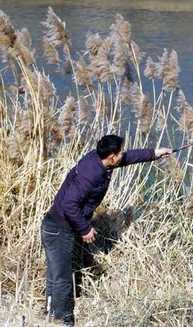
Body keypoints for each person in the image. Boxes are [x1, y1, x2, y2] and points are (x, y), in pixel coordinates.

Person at [40, 135, 172, 326]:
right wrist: (85, 229)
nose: (122, 155)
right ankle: (63, 321)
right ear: (111, 156)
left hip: (60, 226)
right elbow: (69, 204)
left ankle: (51, 315)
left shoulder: (101, 160)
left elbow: (128, 158)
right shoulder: (92, 173)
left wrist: (155, 153)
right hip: (59, 229)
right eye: (119, 152)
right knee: (61, 278)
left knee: (57, 275)